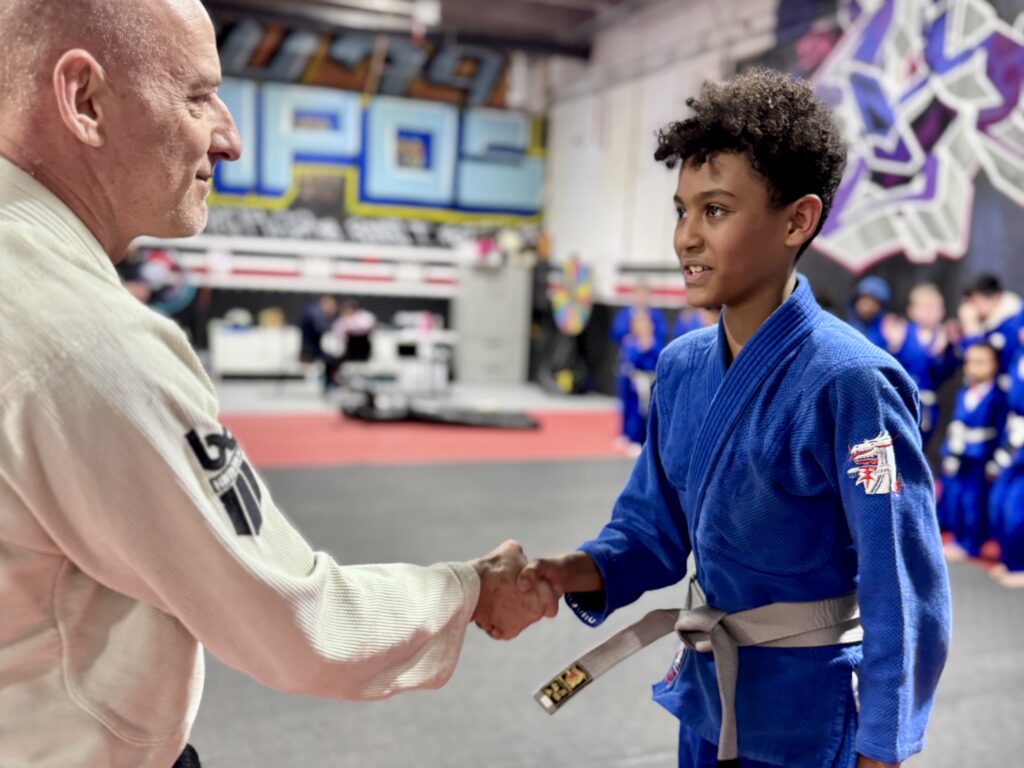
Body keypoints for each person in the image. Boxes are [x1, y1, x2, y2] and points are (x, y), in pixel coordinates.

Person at [0, 2, 556, 767]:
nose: (227, 136)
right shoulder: (85, 341)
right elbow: (301, 626)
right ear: (85, 101)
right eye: (197, 97)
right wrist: (471, 591)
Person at [515, 68, 951, 768]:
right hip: (707, 695)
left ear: (797, 220)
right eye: (681, 209)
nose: (687, 236)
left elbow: (900, 577)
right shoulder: (684, 367)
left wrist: (883, 745)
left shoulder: (851, 383)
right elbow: (651, 531)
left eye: (715, 210)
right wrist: (564, 572)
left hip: (806, 716)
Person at [937, 342, 1008, 560]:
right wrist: (948, 451)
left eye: (980, 362)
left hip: (981, 456)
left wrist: (997, 459)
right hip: (960, 453)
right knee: (955, 496)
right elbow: (956, 423)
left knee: (974, 500)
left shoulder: (998, 396)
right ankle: (958, 537)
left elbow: (1001, 430)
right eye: (969, 362)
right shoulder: (964, 392)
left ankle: (971, 543)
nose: (972, 368)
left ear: (995, 365)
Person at [883, 283, 959, 447]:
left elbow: (945, 375)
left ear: (943, 310)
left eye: (934, 307)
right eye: (924, 307)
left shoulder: (943, 336)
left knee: (920, 445)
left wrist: (943, 354)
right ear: (912, 310)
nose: (929, 312)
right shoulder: (903, 332)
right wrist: (893, 348)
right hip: (901, 399)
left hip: (927, 403)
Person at [988, 327, 1024, 586]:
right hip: (1013, 436)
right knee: (999, 502)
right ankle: (1010, 559)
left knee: (1017, 507)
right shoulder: (1017, 358)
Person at [958, 273, 1023, 384]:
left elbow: (981, 366)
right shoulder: (987, 325)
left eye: (976, 302)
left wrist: (971, 329)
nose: (972, 308)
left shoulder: (1013, 324)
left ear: (995, 298)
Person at [617, 309, 664, 452]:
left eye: (646, 325)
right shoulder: (631, 343)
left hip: (651, 381)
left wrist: (649, 347)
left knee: (650, 412)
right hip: (636, 383)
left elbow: (660, 359)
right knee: (634, 411)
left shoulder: (655, 343)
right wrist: (640, 349)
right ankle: (633, 438)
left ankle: (650, 439)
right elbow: (629, 361)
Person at [299, 294, 340, 393]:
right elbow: (322, 328)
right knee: (331, 360)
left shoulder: (314, 311)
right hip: (309, 350)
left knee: (332, 358)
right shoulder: (316, 313)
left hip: (312, 347)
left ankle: (330, 384)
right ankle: (330, 385)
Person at [846, 275, 891, 349]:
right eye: (864, 300)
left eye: (873, 302)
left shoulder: (885, 332)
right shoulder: (844, 326)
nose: (867, 307)